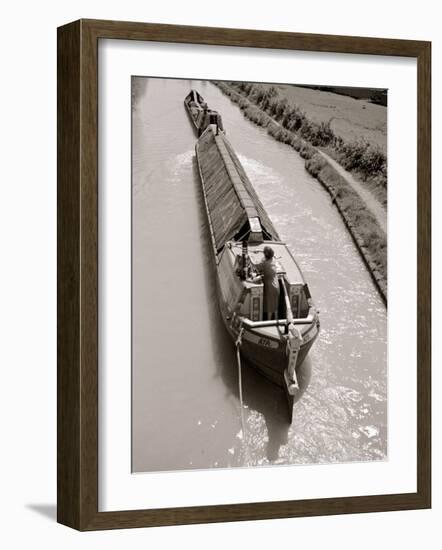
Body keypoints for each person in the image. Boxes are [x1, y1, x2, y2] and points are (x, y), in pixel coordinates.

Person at [256, 246, 280, 320]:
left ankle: (269, 321)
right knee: (275, 306)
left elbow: (255, 266)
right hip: (276, 286)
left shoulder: (264, 262)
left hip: (270, 287)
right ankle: (276, 320)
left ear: (265, 255)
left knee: (269, 307)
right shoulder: (273, 260)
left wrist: (250, 257)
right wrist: (259, 251)